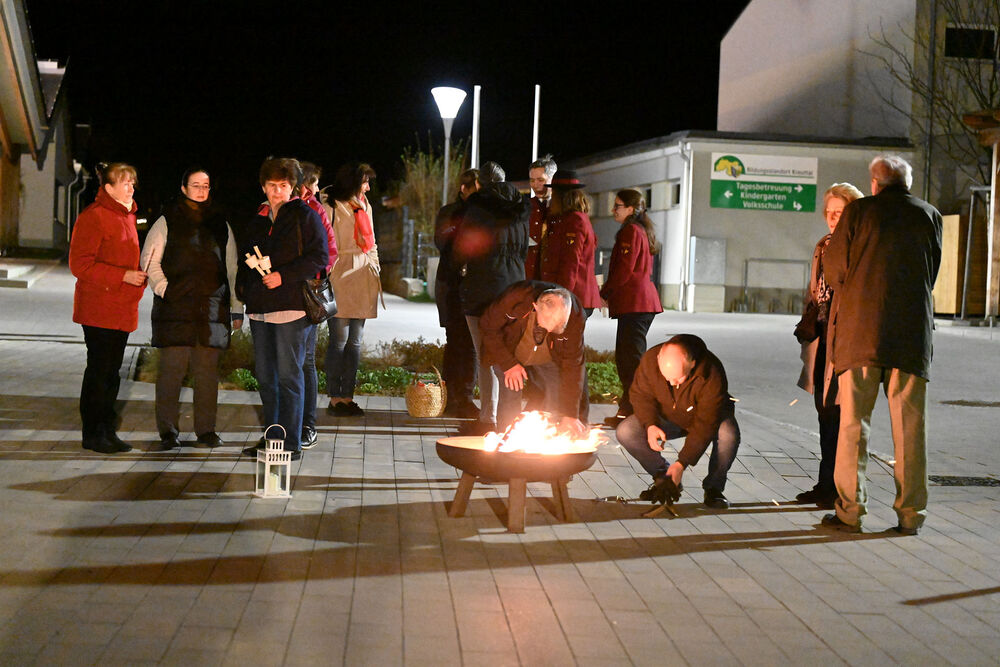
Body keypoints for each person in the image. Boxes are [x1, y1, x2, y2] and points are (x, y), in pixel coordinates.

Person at [821, 155, 942, 535]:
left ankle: (850, 511)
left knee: (853, 427)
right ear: (908, 183)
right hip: (911, 338)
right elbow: (932, 271)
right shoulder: (929, 215)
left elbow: (835, 271)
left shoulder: (859, 213)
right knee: (911, 430)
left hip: (861, 335)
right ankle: (911, 515)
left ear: (874, 184)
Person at [140, 167, 243, 450]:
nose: (201, 190)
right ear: (184, 188)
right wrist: (165, 289)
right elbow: (149, 261)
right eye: (195, 185)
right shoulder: (167, 220)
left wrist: (236, 308)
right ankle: (168, 431)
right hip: (175, 309)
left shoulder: (221, 224)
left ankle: (206, 430)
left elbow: (232, 269)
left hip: (212, 310)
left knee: (207, 374)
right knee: (171, 372)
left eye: (205, 185)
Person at [237, 157, 328, 461]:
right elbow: (244, 257)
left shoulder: (305, 216)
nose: (277, 191)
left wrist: (283, 275)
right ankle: (272, 437)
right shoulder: (258, 218)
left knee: (289, 375)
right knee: (266, 377)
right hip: (260, 309)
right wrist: (244, 289)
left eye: (283, 185)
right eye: (272, 185)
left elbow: (320, 257)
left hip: (291, 307)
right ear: (263, 186)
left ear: (293, 188)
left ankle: (291, 441)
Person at [793, 182, 863, 508]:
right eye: (830, 212)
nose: (833, 218)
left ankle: (838, 487)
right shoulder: (823, 245)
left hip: (845, 338)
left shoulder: (858, 246)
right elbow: (816, 291)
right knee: (824, 410)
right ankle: (825, 483)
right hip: (822, 336)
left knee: (839, 412)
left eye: (840, 212)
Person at [68, 162, 147, 454]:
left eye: (132, 182)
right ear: (109, 188)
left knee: (112, 373)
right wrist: (123, 276)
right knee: (100, 372)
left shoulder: (128, 216)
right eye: (125, 183)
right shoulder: (94, 216)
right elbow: (80, 265)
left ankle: (107, 429)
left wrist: (137, 281)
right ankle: (93, 433)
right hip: (99, 309)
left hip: (121, 308)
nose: (131, 188)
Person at [616, 334, 741, 509]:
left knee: (728, 434)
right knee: (626, 431)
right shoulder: (650, 361)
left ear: (692, 364)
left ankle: (714, 488)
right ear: (659, 359)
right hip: (667, 416)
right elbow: (640, 395)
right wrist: (650, 425)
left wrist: (681, 463)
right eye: (667, 378)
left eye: (679, 378)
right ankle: (664, 478)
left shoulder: (712, 372)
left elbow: (705, 424)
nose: (673, 383)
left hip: (705, 417)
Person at [454, 161, 529, 434]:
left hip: (482, 289)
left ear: (480, 184)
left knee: (487, 357)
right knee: (506, 354)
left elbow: (463, 248)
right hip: (514, 288)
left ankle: (491, 419)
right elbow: (524, 250)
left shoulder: (477, 209)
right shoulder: (521, 209)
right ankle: (503, 418)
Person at [479, 281, 588, 434]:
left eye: (560, 323)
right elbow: (488, 327)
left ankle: (545, 436)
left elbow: (573, 364)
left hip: (548, 357)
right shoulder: (515, 298)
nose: (554, 328)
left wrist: (571, 414)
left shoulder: (575, 316)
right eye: (549, 321)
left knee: (555, 391)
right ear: (536, 307)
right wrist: (508, 364)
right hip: (507, 351)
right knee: (511, 388)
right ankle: (506, 438)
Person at [600, 188, 663, 428]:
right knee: (627, 360)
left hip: (636, 303)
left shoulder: (631, 231)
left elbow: (624, 270)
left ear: (630, 208)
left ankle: (639, 414)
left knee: (630, 362)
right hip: (637, 303)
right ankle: (628, 411)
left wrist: (604, 293)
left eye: (617, 206)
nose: (613, 210)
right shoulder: (639, 230)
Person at [325, 162, 381, 417]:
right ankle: (334, 397)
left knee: (355, 342)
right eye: (364, 182)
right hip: (340, 274)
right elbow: (325, 242)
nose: (367, 188)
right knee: (338, 340)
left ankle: (348, 396)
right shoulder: (332, 205)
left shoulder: (365, 205)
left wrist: (375, 266)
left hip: (363, 275)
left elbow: (372, 241)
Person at [434, 168, 480, 418]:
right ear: (464, 189)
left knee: (470, 343)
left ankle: (464, 396)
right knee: (456, 341)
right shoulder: (449, 213)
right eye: (476, 188)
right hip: (451, 285)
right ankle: (452, 396)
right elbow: (442, 242)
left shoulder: (482, 213)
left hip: (472, 284)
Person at [297, 161, 337, 447]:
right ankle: (285, 423)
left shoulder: (315, 210)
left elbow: (330, 252)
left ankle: (307, 425)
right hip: (282, 297)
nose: (317, 188)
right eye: (314, 183)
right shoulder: (273, 208)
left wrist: (314, 275)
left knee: (306, 361)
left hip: (308, 295)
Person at [539, 169, 602, 314]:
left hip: (574, 296)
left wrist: (560, 297)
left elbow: (570, 263)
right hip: (571, 295)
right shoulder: (566, 218)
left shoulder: (575, 220)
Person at [525, 154, 556, 280]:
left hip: (552, 277)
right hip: (529, 277)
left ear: (552, 179)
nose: (535, 185)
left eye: (540, 180)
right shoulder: (525, 207)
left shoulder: (562, 208)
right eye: (532, 180)